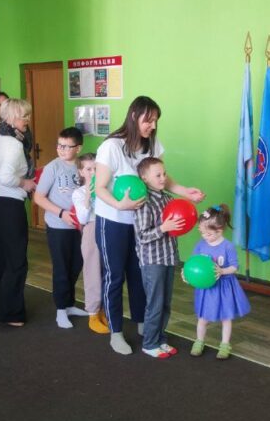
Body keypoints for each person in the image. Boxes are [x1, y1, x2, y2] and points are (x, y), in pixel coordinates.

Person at [94, 95, 204, 355]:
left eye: (155, 121)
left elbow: (161, 177)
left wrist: (185, 192)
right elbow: (99, 187)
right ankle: (116, 331)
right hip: (113, 221)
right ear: (134, 116)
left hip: (142, 221)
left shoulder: (152, 144)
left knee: (138, 275)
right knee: (114, 276)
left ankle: (145, 324)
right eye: (148, 120)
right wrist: (119, 205)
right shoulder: (111, 146)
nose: (152, 126)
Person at [0, 98, 36, 326]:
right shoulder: (14, 144)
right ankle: (12, 313)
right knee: (16, 261)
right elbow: (6, 177)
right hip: (9, 206)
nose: (28, 120)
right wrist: (26, 183)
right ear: (12, 118)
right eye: (24, 116)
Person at [32, 127, 91, 328]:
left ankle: (69, 304)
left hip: (79, 226)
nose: (61, 149)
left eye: (67, 146)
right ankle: (60, 310)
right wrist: (61, 213)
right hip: (58, 226)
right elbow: (38, 197)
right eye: (59, 145)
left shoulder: (82, 167)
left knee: (76, 265)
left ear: (78, 148)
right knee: (62, 268)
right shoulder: (53, 168)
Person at [133, 157, 184, 358]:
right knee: (155, 303)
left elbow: (177, 225)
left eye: (164, 174)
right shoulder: (143, 202)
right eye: (158, 175)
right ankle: (149, 343)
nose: (163, 178)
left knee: (166, 303)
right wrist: (163, 228)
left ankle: (161, 339)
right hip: (152, 261)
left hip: (169, 257)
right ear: (144, 178)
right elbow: (142, 236)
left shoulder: (168, 199)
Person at [187, 204, 250, 360]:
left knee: (226, 317)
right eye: (202, 232)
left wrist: (222, 271)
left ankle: (225, 345)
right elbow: (192, 264)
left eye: (208, 233)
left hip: (224, 287)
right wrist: (186, 274)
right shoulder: (201, 245)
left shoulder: (228, 246)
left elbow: (234, 267)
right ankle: (199, 341)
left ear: (219, 230)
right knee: (203, 317)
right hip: (206, 288)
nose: (204, 236)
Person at [72, 153, 109, 333]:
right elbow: (82, 218)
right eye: (88, 169)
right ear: (81, 172)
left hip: (108, 227)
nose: (93, 172)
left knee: (108, 272)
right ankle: (93, 313)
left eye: (96, 168)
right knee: (92, 271)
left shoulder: (106, 188)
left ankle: (104, 310)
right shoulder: (78, 193)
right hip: (91, 229)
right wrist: (88, 194)